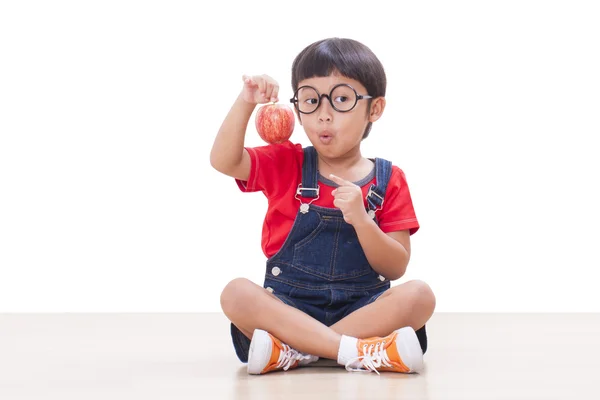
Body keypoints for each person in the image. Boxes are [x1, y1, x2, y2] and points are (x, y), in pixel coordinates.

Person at [210, 37, 436, 375]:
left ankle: (295, 349)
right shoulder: (287, 162)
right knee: (236, 294)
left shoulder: (390, 179)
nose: (324, 116)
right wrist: (246, 102)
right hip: (288, 308)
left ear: (374, 109)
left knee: (420, 295)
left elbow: (395, 268)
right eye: (311, 101)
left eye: (341, 99)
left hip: (364, 309)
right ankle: (356, 351)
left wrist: (362, 220)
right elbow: (224, 161)